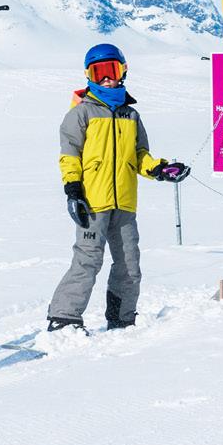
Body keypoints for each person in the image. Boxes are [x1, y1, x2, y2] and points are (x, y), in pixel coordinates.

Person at [47, 44, 190, 332]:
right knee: (88, 259)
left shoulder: (131, 116)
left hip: (124, 203)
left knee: (129, 264)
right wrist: (73, 190)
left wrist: (160, 169)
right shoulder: (81, 114)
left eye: (111, 71)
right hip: (92, 202)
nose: (106, 79)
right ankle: (64, 318)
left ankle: (122, 319)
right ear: (89, 75)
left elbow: (139, 156)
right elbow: (70, 155)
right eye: (98, 72)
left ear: (122, 72)